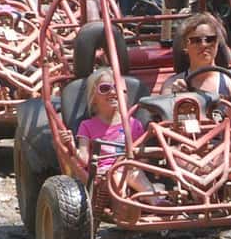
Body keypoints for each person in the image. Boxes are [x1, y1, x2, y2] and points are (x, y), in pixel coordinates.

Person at [58, 67, 164, 204]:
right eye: (105, 88)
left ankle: (154, 200)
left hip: (129, 169)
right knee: (118, 173)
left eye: (117, 88)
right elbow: (84, 160)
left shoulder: (133, 124)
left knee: (132, 171)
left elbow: (143, 157)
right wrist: (72, 148)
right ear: (93, 97)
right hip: (102, 175)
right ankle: (128, 203)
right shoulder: (87, 126)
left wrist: (133, 163)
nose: (113, 92)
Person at [160, 12, 231, 113]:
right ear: (185, 46)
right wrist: (175, 99)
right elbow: (165, 123)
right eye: (196, 40)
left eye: (210, 39)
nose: (204, 45)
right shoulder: (172, 85)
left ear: (217, 43)